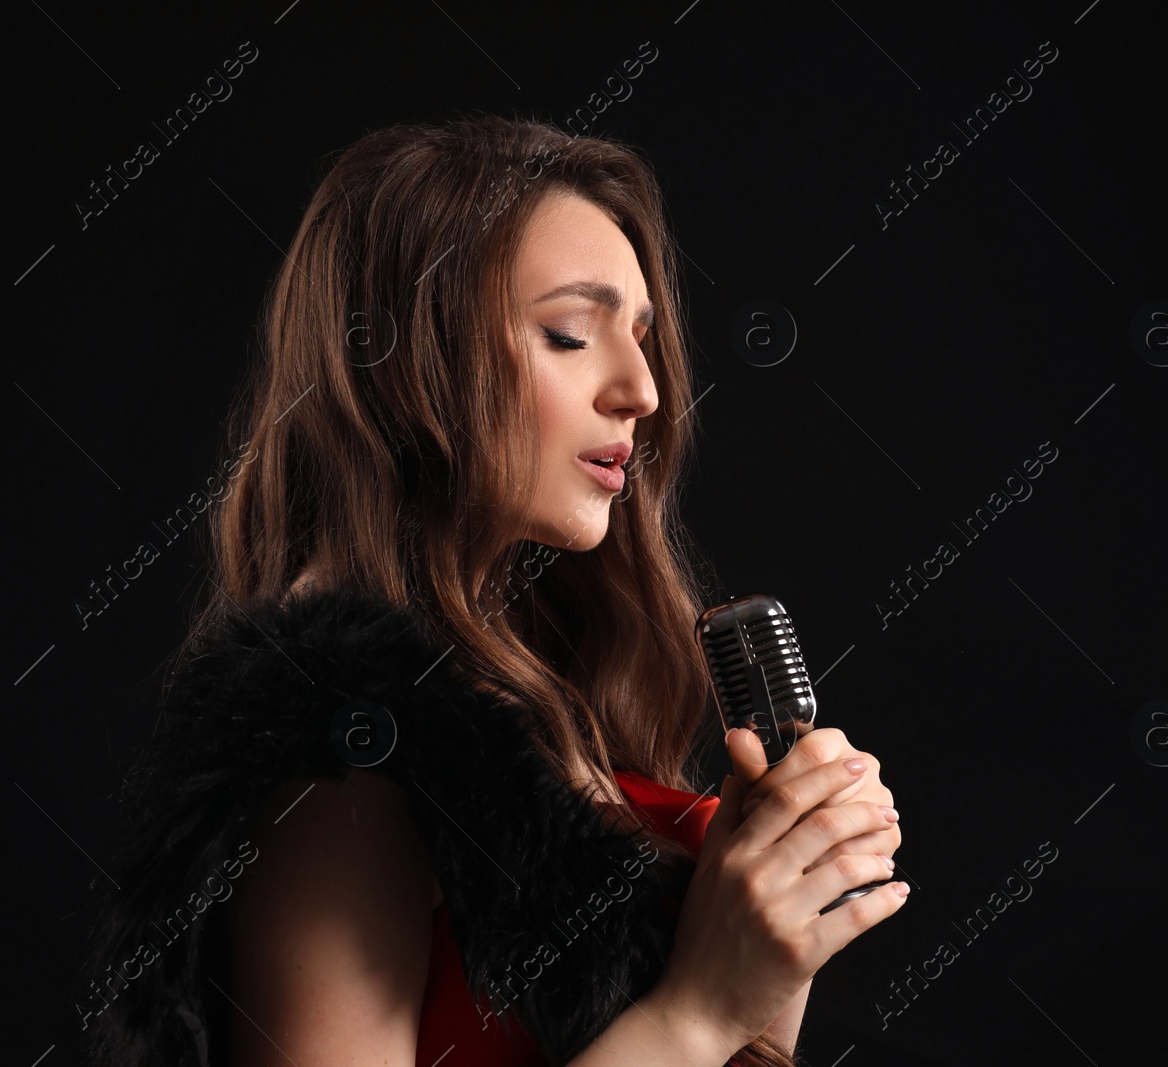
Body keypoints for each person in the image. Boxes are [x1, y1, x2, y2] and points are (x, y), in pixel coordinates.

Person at [74, 114, 904, 1067]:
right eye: (568, 333)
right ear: (405, 359)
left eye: (641, 337)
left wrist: (773, 943)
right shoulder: (341, 730)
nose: (643, 389)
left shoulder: (532, 691)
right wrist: (698, 1013)